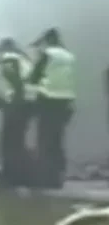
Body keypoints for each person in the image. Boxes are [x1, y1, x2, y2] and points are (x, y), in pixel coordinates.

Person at [0, 39, 35, 187]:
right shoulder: (17, 58)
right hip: (24, 104)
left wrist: (12, 105)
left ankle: (11, 177)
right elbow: (12, 86)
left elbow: (17, 85)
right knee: (15, 142)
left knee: (10, 143)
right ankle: (18, 175)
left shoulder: (9, 60)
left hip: (18, 106)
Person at [28, 27, 77, 189]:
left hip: (48, 101)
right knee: (58, 140)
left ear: (47, 41)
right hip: (65, 102)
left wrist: (36, 55)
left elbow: (33, 78)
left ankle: (46, 178)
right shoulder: (69, 56)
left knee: (45, 140)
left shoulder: (47, 55)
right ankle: (58, 176)